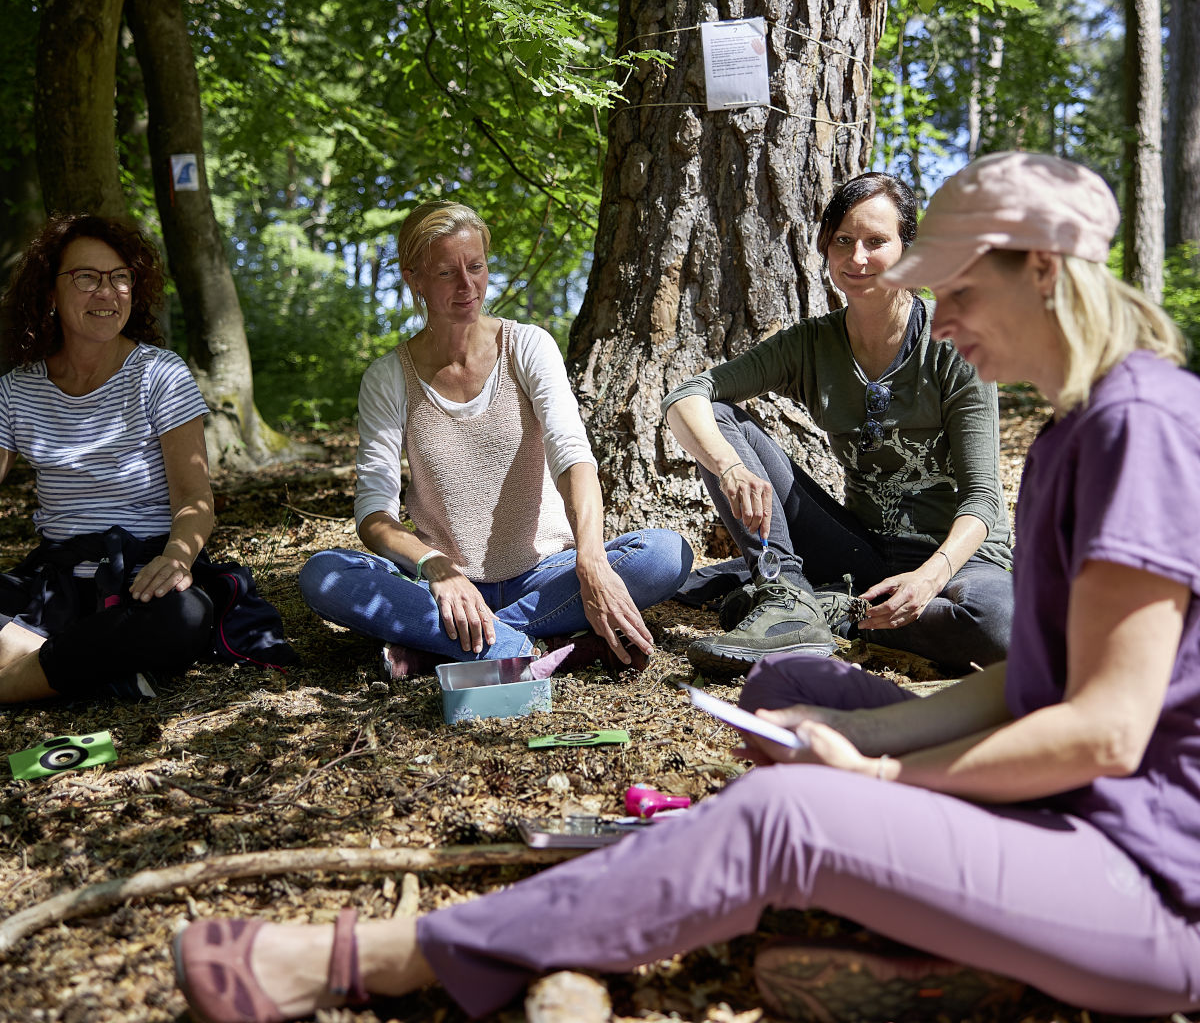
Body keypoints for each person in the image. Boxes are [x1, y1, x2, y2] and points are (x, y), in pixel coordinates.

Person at [174, 151, 1200, 1023]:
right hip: (1072, 811)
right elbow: (1035, 681)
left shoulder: (1137, 426)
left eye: (964, 290)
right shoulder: (1076, 426)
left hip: (1147, 876)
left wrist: (882, 784)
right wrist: (848, 739)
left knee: (785, 816)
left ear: (1048, 273)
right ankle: (949, 947)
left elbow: (1105, 733)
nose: (944, 315)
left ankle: (389, 958)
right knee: (801, 690)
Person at [298, 201, 691, 678]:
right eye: (446, 273)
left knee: (666, 555)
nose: (468, 286)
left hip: (547, 575)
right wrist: (435, 567)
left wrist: (590, 560)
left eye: (476, 266)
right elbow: (373, 513)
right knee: (324, 575)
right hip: (445, 584)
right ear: (414, 279)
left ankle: (448, 645)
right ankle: (533, 644)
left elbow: (573, 457)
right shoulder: (388, 377)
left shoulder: (527, 346)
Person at [663, 172, 1013, 678]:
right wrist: (730, 468)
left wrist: (928, 579)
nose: (858, 258)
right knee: (715, 421)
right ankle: (784, 593)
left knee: (1000, 625)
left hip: (959, 560)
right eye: (843, 242)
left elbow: (982, 499)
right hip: (862, 547)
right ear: (825, 249)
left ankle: (833, 610)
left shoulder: (959, 344)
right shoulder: (810, 345)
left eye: (877, 242)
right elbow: (687, 396)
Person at [0, 214, 214, 704]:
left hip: (140, 580)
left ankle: (23, 679)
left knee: (184, 617)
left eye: (120, 277)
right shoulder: (16, 390)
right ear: (49, 292)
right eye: (87, 277)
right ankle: (85, 668)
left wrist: (177, 557)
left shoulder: (160, 374)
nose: (107, 291)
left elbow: (194, 496)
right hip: (51, 585)